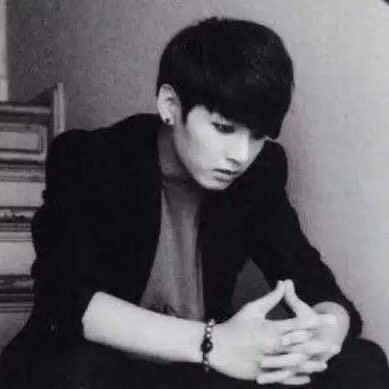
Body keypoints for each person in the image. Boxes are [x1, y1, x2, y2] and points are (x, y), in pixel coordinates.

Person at [0, 17, 388, 389]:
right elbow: (65, 301)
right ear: (170, 105)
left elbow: (313, 280)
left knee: (362, 362)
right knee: (82, 371)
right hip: (95, 364)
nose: (241, 154)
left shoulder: (259, 173)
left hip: (192, 372)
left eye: (257, 136)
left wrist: (325, 331)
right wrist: (213, 343)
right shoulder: (93, 158)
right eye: (223, 128)